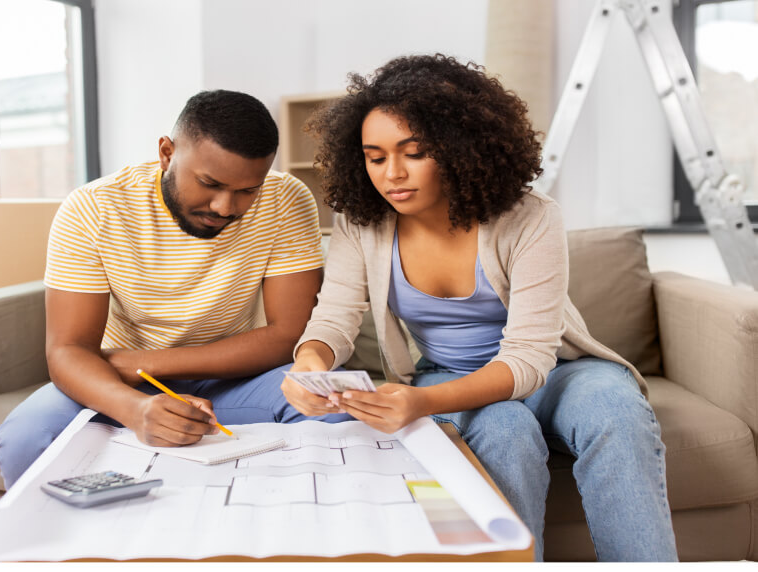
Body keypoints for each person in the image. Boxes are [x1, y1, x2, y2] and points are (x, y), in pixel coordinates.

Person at [281, 54, 678, 562]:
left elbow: (530, 359)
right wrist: (308, 365)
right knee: (505, 431)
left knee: (616, 411)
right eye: (375, 157)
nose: (392, 174)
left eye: (414, 152)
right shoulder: (364, 224)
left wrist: (421, 404)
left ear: (456, 148)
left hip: (560, 370)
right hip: (447, 373)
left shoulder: (530, 217)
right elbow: (332, 320)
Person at [0, 89, 349, 489]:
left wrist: (148, 362)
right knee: (24, 438)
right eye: (209, 183)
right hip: (121, 382)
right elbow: (67, 350)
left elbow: (288, 335)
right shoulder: (92, 209)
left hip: (236, 379)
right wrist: (135, 407)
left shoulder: (286, 199)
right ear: (166, 153)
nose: (225, 207)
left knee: (334, 410)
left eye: (248, 190)